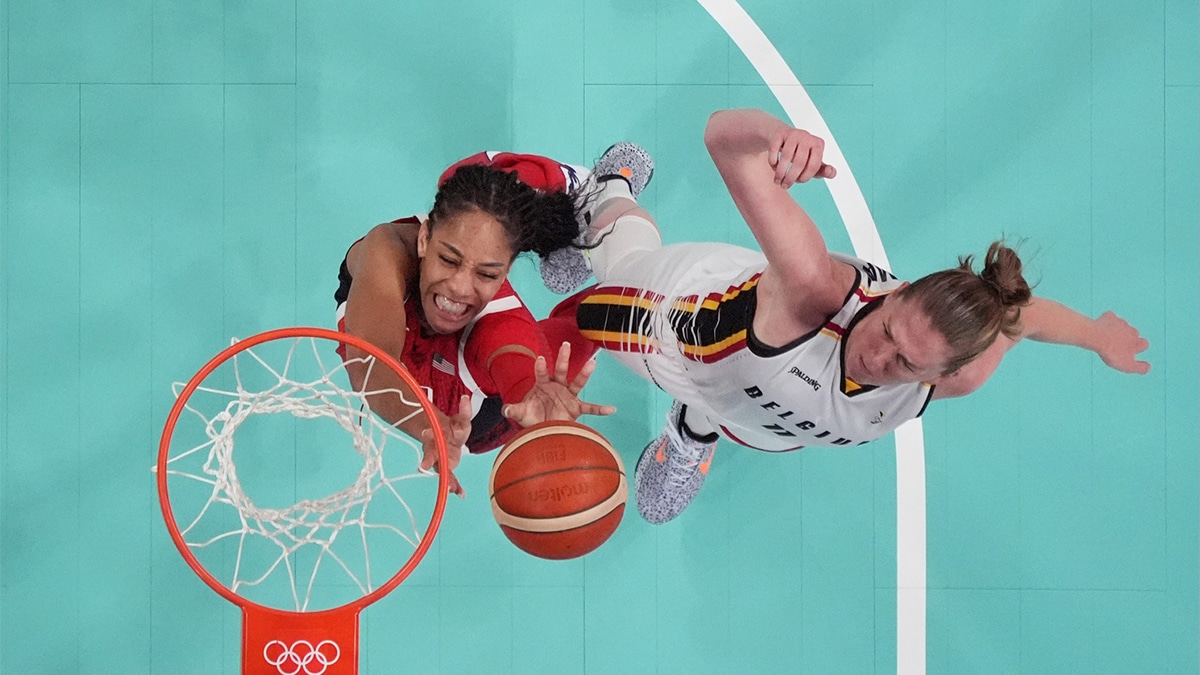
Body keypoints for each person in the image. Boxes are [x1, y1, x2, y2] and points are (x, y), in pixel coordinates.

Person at [541, 109, 1151, 524]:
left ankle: (690, 432)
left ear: (942, 375)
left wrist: (1097, 336)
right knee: (614, 270)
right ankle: (607, 187)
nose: (876, 357)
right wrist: (777, 135)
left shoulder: (962, 373)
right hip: (678, 331)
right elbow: (722, 138)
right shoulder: (812, 285)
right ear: (898, 293)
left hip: (761, 409)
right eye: (888, 329)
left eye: (906, 364)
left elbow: (1020, 316)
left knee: (746, 417)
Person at [334, 157, 622, 496]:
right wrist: (430, 424)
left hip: (489, 415)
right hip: (448, 408)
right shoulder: (387, 250)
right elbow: (372, 363)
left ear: (508, 269)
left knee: (602, 317)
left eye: (487, 273)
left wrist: (531, 396)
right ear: (424, 237)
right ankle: (577, 195)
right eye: (449, 259)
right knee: (465, 182)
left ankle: (610, 192)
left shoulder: (502, 326)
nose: (459, 286)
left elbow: (516, 366)